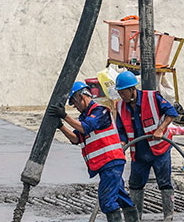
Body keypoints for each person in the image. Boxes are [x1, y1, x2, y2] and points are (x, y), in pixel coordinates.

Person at [47, 82, 139, 222]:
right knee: (120, 195)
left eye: (75, 103)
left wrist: (65, 116)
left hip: (111, 161)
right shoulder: (85, 117)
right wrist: (60, 126)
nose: (76, 107)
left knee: (107, 200)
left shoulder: (100, 111)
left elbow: (85, 128)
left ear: (82, 96)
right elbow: (76, 138)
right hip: (104, 164)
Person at [114, 71, 178, 221]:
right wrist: (122, 143)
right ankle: (137, 218)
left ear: (132, 89)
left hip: (159, 149)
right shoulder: (120, 106)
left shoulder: (152, 97)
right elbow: (121, 130)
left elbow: (172, 112)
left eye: (124, 92)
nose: (122, 96)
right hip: (139, 152)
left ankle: (168, 217)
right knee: (135, 185)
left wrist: (161, 129)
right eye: (120, 93)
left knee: (164, 182)